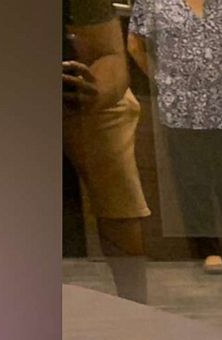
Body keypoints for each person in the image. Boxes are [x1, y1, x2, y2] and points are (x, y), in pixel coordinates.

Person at [127, 0, 222, 275]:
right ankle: (209, 250)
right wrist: (163, 80)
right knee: (193, 181)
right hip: (181, 106)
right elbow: (134, 45)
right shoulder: (152, 3)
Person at [63, 0, 151, 305]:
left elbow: (109, 54)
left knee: (117, 191)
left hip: (74, 91)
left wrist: (95, 90)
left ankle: (136, 307)